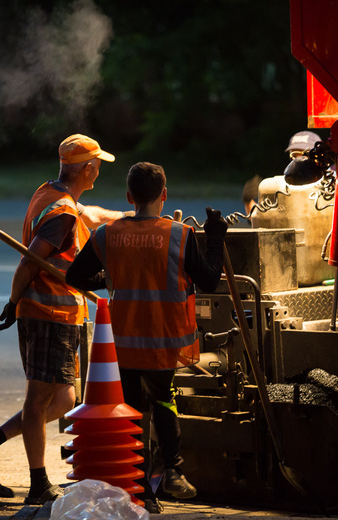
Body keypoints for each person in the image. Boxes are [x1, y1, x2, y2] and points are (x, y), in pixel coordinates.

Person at [0, 134, 130, 505]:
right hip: (48, 312)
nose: (98, 171)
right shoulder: (62, 214)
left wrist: (132, 218)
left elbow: (95, 214)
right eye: (97, 166)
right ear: (87, 168)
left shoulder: (50, 194)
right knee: (38, 401)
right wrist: (13, 301)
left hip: (62, 313)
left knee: (64, 401)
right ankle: (38, 483)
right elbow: (29, 260)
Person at [65, 161, 227, 512]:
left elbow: (75, 277)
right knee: (164, 399)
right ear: (164, 196)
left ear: (128, 196)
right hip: (164, 342)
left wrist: (108, 281)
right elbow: (211, 279)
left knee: (133, 411)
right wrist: (216, 236)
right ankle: (173, 470)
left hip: (122, 345)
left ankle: (141, 490)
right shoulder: (179, 235)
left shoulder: (107, 234)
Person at [242, 130, 321, 214]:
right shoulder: (283, 187)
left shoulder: (330, 185)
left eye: (304, 155)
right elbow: (263, 219)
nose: (298, 161)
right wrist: (248, 201)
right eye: (294, 156)